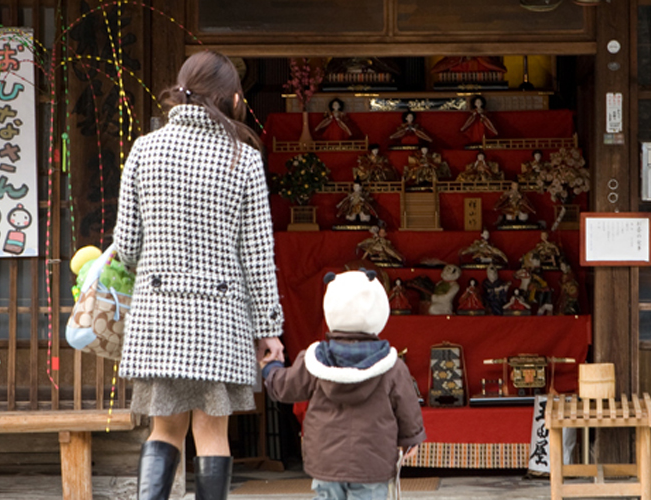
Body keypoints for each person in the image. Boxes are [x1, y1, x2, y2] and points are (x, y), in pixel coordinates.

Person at [113, 50, 285, 500]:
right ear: (230, 98)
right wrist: (269, 329)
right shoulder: (242, 159)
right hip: (220, 318)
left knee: (163, 430)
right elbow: (258, 254)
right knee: (212, 435)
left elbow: (126, 247)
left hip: (158, 316)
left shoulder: (144, 151)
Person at [263, 270, 425, 500]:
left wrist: (270, 369)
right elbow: (407, 407)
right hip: (373, 461)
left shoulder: (314, 359)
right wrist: (411, 440)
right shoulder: (391, 364)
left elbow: (284, 388)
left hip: (325, 460)